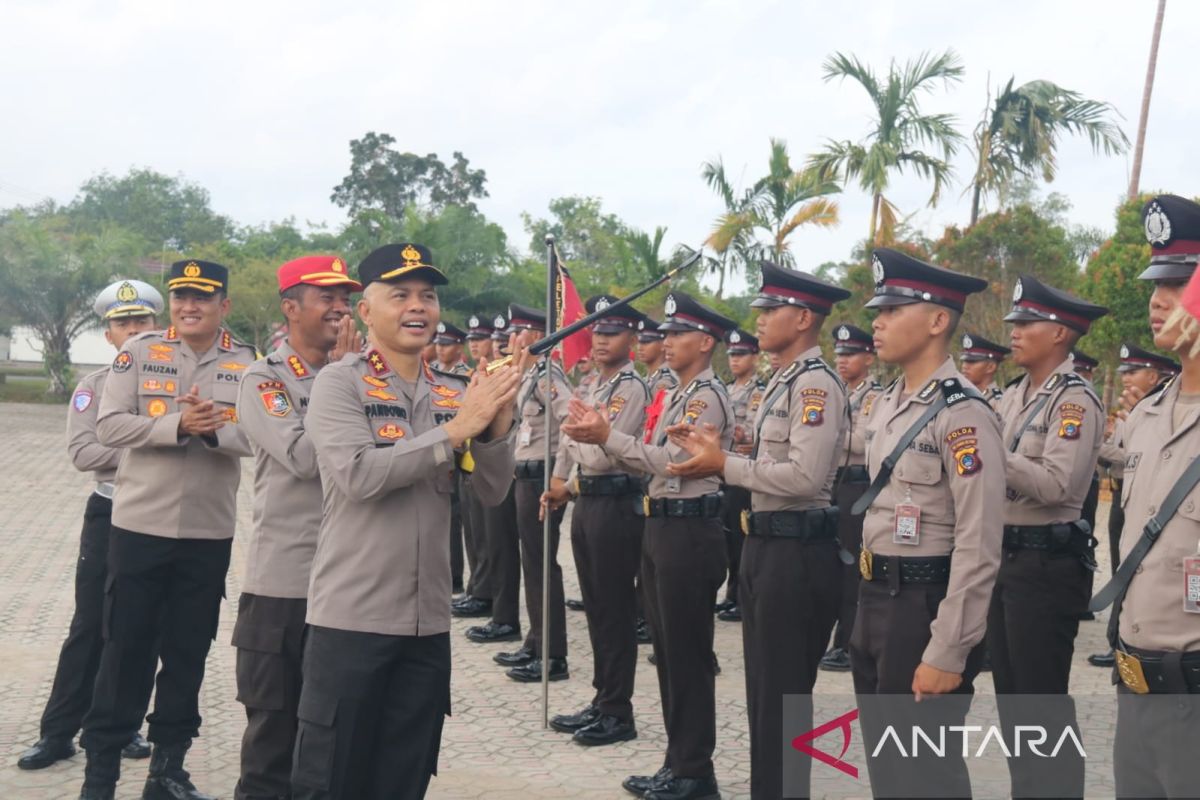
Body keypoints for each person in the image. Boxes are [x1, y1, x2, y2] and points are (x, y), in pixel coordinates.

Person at [292, 243, 519, 799]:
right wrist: (458, 429)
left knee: (403, 779)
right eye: (401, 295)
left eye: (428, 295)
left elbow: (491, 492)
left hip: (425, 627)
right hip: (352, 621)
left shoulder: (453, 391)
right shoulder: (338, 383)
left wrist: (495, 427)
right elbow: (359, 476)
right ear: (366, 312)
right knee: (333, 780)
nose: (418, 307)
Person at [667, 265, 852, 799]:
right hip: (769, 544)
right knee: (767, 697)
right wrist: (718, 451)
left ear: (802, 318)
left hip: (797, 551)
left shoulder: (815, 384)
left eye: (771, 310)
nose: (760, 319)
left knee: (783, 701)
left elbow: (803, 478)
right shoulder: (786, 380)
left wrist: (722, 463)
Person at [80, 259, 257, 800]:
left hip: (207, 533)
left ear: (223, 305)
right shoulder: (139, 352)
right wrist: (176, 424)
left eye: (202, 297)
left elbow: (258, 437)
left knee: (187, 654)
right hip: (139, 528)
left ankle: (167, 771)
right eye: (181, 296)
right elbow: (108, 425)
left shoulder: (247, 362)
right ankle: (101, 774)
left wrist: (212, 430)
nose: (189, 306)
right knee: (124, 649)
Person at [564, 291, 735, 800]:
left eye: (678, 333)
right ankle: (678, 763)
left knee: (686, 656)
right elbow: (649, 458)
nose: (667, 341)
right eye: (665, 333)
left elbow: (670, 463)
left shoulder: (705, 397)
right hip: (661, 524)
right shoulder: (680, 393)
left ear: (705, 342)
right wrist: (605, 438)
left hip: (688, 530)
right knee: (668, 652)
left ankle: (694, 771)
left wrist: (605, 438)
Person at [850, 249, 1003, 798]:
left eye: (893, 309)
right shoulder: (892, 403)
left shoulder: (964, 413)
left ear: (938, 321)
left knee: (925, 776)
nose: (878, 322)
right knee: (890, 770)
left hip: (923, 608)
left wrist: (949, 648)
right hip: (876, 600)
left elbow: (979, 542)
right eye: (878, 310)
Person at [16, 281, 161, 774]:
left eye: (143, 321)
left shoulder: (174, 385)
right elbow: (84, 455)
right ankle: (57, 733)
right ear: (110, 334)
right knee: (89, 628)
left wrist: (143, 441)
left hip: (159, 519)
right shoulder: (93, 388)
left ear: (156, 327)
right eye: (125, 323)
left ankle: (124, 727)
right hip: (110, 513)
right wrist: (158, 444)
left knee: (140, 628)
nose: (135, 330)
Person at [231, 255, 362, 800]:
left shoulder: (362, 373)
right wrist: (342, 381)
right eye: (326, 297)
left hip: (347, 587)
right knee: (273, 743)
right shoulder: (266, 378)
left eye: (346, 298)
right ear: (290, 308)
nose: (340, 308)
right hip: (284, 587)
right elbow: (309, 458)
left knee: (333, 740)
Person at [1092, 194, 1200, 797]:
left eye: (1180, 284)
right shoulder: (1150, 414)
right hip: (1136, 689)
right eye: (1157, 283)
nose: (1158, 300)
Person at [988, 275, 1107, 798]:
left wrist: (994, 457)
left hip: (1045, 565)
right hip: (1005, 559)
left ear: (1059, 333)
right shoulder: (1013, 396)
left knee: (1041, 704)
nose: (1014, 332)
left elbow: (1058, 486)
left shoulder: (1074, 401)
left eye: (1026, 323)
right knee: (1014, 703)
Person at [543, 295, 651, 745]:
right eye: (598, 333)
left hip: (614, 503)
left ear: (632, 338)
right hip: (587, 503)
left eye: (613, 333)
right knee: (596, 608)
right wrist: (557, 484)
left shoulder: (632, 388)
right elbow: (571, 445)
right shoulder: (593, 385)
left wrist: (580, 448)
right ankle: (602, 698)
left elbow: (604, 455)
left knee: (614, 611)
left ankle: (617, 711)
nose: (603, 341)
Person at [1088, 343, 1179, 668]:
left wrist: (1098, 447)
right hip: (1122, 499)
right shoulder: (1137, 412)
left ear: (1154, 375)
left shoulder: (1157, 413)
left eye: (1133, 371)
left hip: (1149, 504)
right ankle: (1118, 641)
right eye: (1124, 372)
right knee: (1120, 569)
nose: (1126, 378)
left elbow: (1132, 459)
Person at [500, 303, 573, 682]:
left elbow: (569, 423)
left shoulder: (548, 375)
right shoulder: (527, 375)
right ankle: (536, 640)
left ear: (537, 336)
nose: (514, 340)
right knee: (532, 560)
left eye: (521, 333)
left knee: (543, 562)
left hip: (543, 475)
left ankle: (553, 653)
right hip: (524, 475)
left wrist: (560, 476)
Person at [821, 322, 883, 672]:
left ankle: (847, 642)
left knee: (849, 568)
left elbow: (862, 443)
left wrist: (823, 434)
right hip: (833, 483)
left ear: (868, 358)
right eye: (839, 354)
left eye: (851, 353)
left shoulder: (875, 397)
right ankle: (831, 637)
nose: (842, 360)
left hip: (857, 486)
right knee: (830, 565)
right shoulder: (836, 393)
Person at [464, 313, 525, 647]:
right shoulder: (495, 376)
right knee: (485, 540)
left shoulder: (537, 378)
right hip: (487, 465)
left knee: (504, 549)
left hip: (515, 471)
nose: (504, 344)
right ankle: (494, 606)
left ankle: (506, 619)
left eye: (514, 336)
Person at [713, 328, 765, 623]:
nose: (735, 360)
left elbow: (754, 434)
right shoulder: (728, 389)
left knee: (743, 539)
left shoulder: (759, 391)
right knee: (729, 539)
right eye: (732, 354)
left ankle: (744, 597)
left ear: (755, 357)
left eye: (741, 354)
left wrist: (739, 435)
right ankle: (732, 594)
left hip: (745, 469)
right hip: (724, 469)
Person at [452, 314, 500, 619]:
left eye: (479, 339)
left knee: (488, 539)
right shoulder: (471, 375)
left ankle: (485, 593)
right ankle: (475, 588)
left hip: (486, 466)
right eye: (472, 340)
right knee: (472, 534)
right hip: (466, 463)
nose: (475, 345)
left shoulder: (496, 376)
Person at [959, 331, 1009, 409]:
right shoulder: (961, 395)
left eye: (972, 361)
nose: (964, 366)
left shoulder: (1000, 402)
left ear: (991, 367)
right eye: (964, 361)